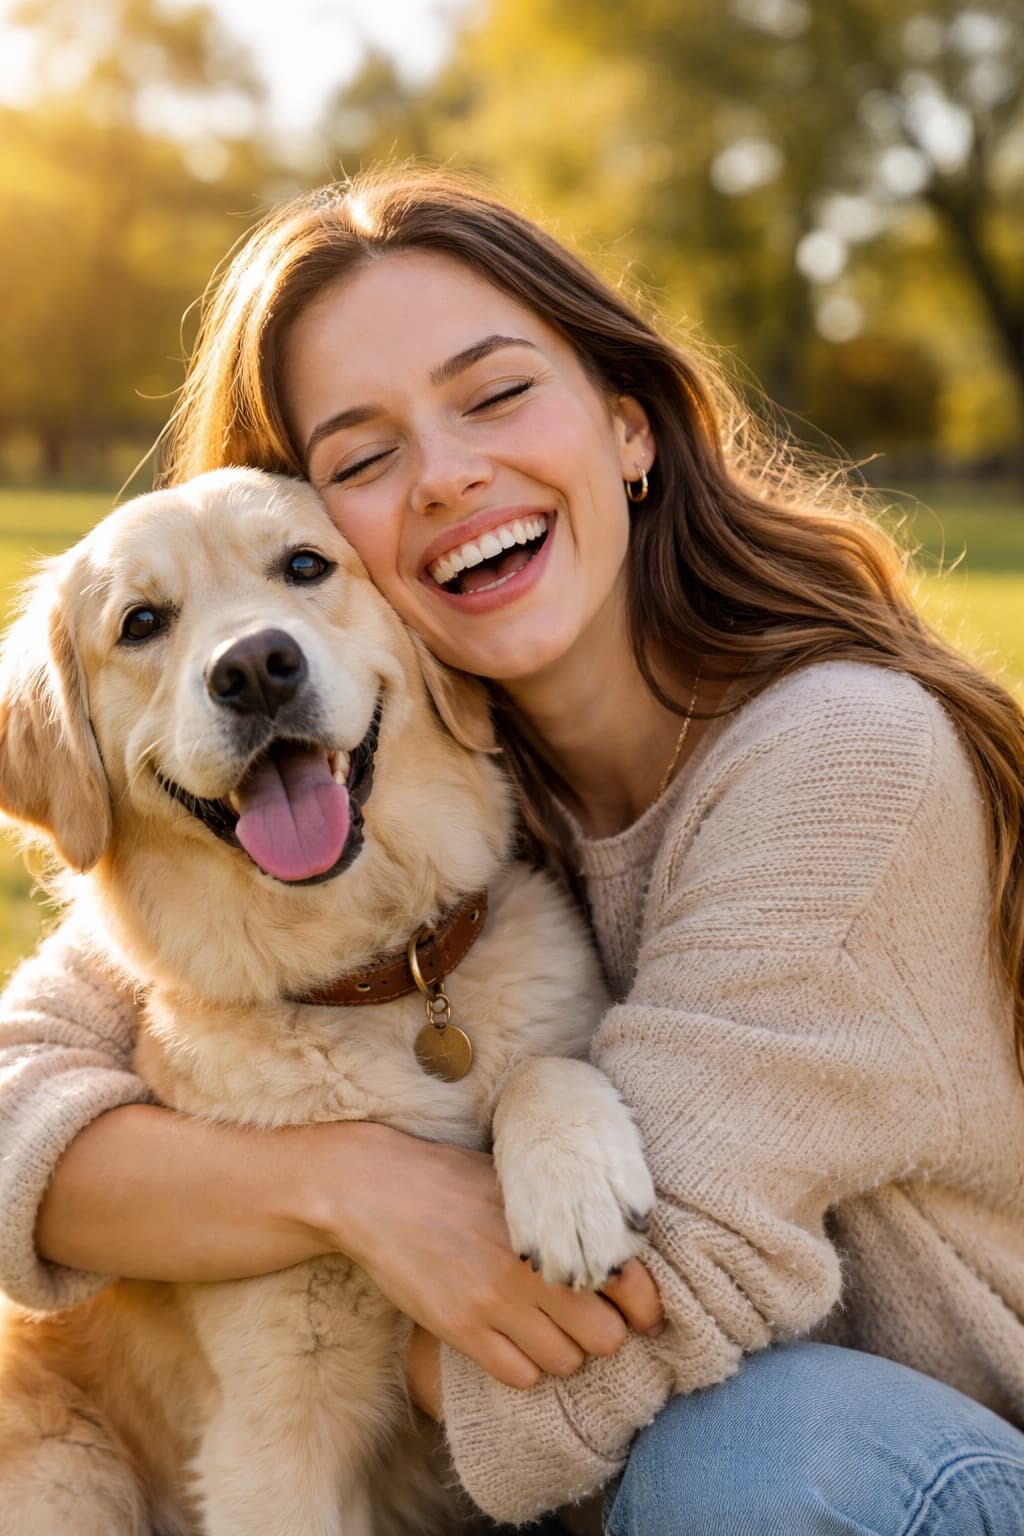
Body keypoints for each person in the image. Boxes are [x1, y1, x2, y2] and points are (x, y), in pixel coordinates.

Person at [2, 165, 1024, 1535]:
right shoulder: (399, 782)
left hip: (916, 1465)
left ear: (629, 426)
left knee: (747, 1448)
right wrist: (341, 1191)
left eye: (495, 396)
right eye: (361, 460)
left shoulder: (842, 762)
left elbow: (650, 1315)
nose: (449, 475)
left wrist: (267, 1278)